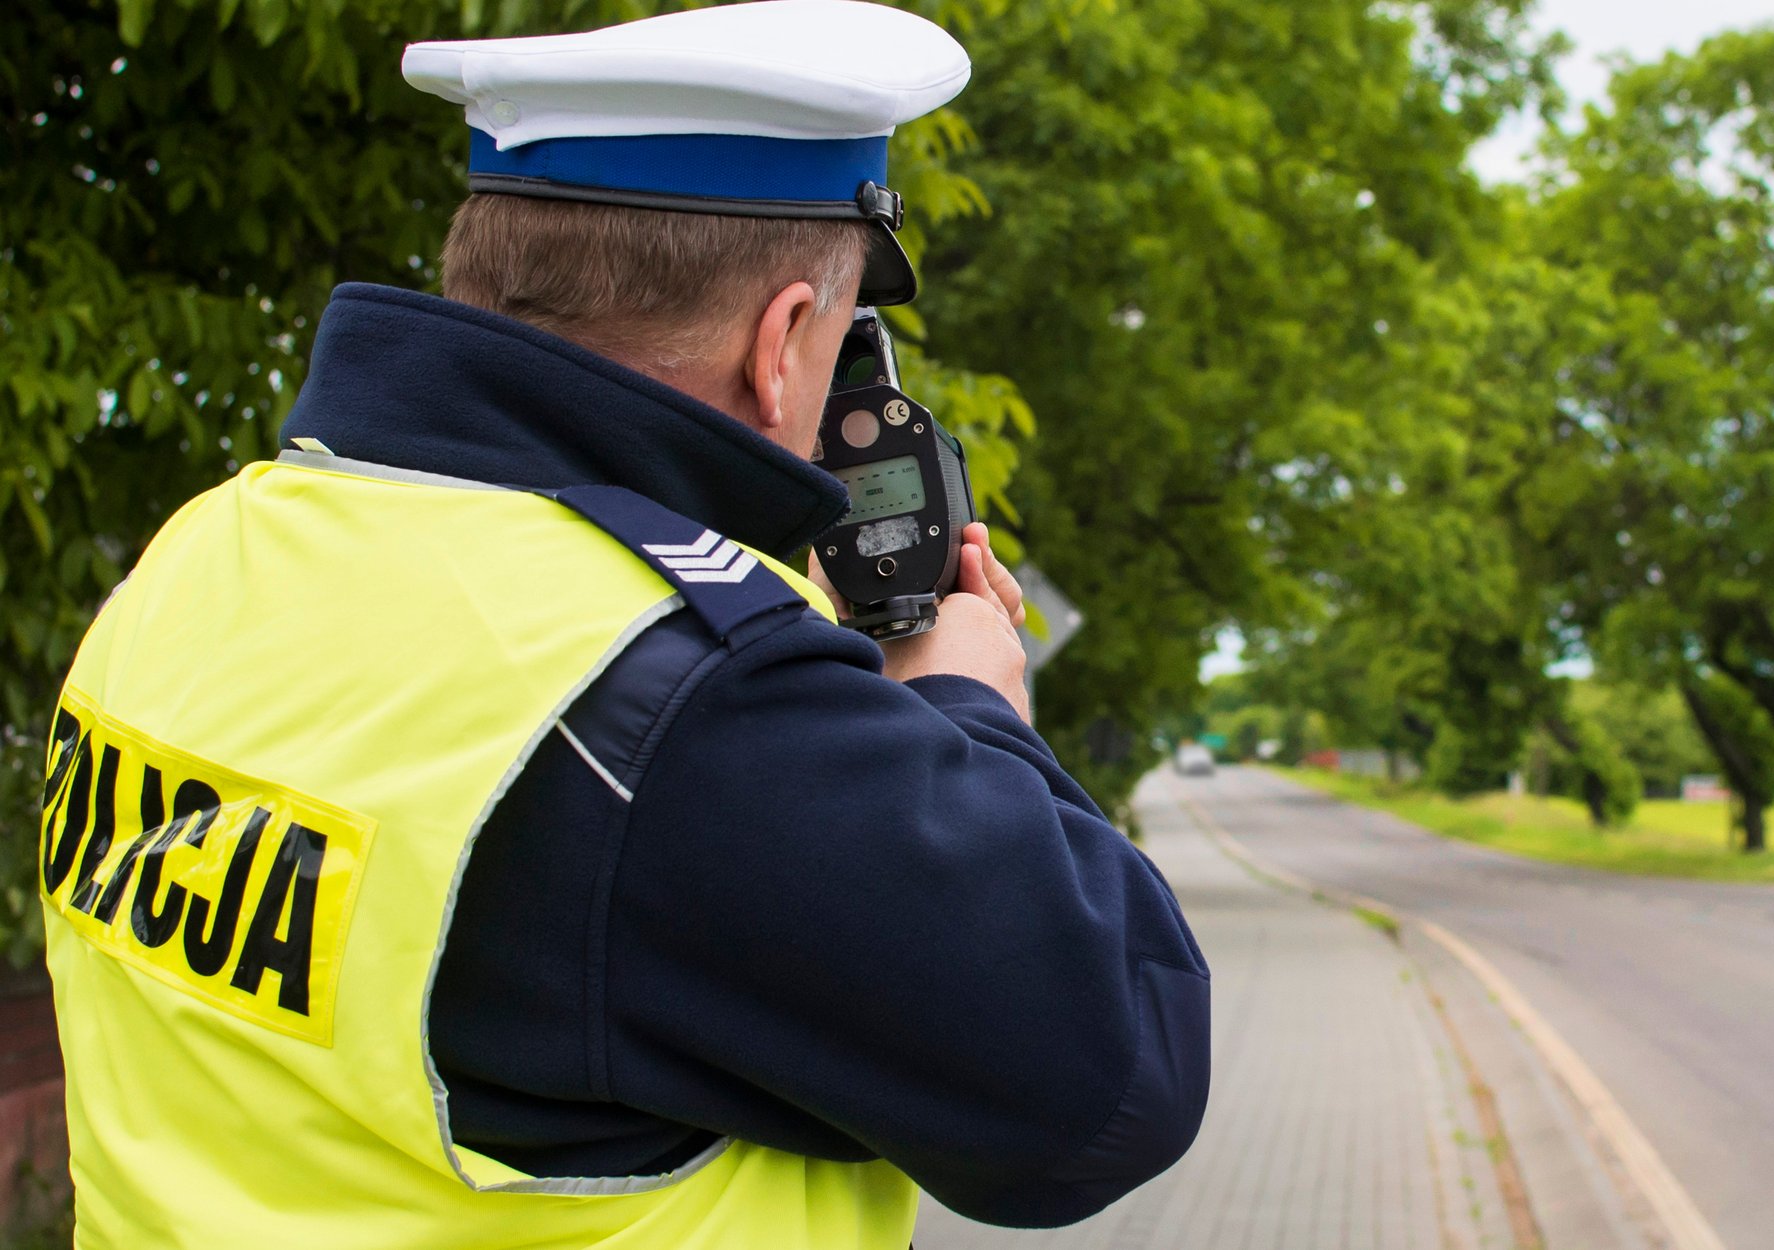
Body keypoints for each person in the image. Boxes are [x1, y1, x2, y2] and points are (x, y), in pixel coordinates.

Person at [36, 3, 1209, 1247]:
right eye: (840, 339)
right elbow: (1110, 1076)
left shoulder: (207, 547)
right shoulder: (678, 699)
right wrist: (965, 708)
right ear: (779, 345)